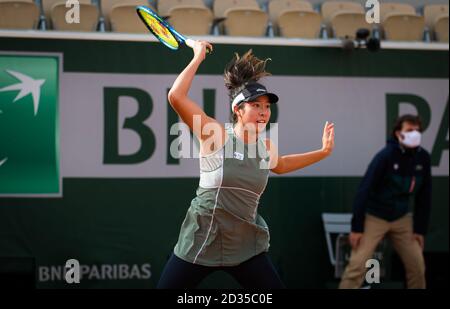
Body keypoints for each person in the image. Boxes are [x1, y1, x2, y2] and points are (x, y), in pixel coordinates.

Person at [157, 41, 335, 289]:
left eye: (266, 107)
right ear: (237, 110)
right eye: (255, 105)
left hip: (244, 246)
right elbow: (176, 97)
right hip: (201, 239)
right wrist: (198, 56)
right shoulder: (215, 134)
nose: (263, 112)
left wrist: (323, 152)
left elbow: (281, 165)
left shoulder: (266, 147)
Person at [339, 114, 431, 289]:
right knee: (357, 266)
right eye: (409, 130)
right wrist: (357, 227)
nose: (415, 134)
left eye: (418, 130)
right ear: (398, 134)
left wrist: (420, 229)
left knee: (418, 266)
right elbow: (363, 190)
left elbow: (425, 195)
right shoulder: (385, 156)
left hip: (403, 219)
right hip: (375, 217)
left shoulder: (423, 158)